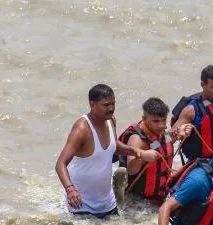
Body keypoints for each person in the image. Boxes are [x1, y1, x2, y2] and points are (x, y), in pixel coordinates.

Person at [55, 84, 160, 218]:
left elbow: (114, 145)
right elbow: (60, 164)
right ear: (92, 104)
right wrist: (70, 190)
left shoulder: (110, 120)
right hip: (81, 202)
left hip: (107, 201)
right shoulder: (82, 129)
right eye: (106, 105)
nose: (111, 108)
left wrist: (139, 153)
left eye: (113, 104)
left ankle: (117, 191)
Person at [117, 97, 175, 204]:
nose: (161, 125)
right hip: (138, 200)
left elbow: (165, 145)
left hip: (160, 197)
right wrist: (142, 157)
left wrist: (180, 133)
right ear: (144, 119)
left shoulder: (162, 133)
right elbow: (131, 170)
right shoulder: (137, 139)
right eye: (156, 121)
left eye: (163, 120)